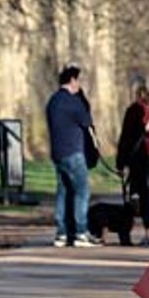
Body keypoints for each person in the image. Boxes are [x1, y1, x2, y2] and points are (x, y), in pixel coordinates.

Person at [45, 64, 99, 247]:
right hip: (74, 151)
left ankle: (61, 233)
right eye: (79, 81)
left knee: (63, 191)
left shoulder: (53, 101)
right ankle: (80, 232)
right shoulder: (73, 102)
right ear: (73, 80)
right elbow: (87, 121)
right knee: (82, 191)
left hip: (58, 152)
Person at [114, 80, 149, 245]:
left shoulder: (133, 110)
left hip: (139, 158)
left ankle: (148, 232)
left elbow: (125, 139)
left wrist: (120, 163)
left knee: (142, 195)